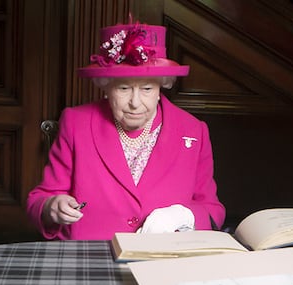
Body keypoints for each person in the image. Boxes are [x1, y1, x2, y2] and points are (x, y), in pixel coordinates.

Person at [27, 21, 225, 239]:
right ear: (106, 87)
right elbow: (40, 198)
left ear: (161, 87)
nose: (135, 102)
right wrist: (52, 206)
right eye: (123, 88)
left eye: (147, 88)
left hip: (164, 259)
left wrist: (182, 215)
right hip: (90, 258)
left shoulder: (194, 131)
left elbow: (212, 210)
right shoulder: (76, 123)